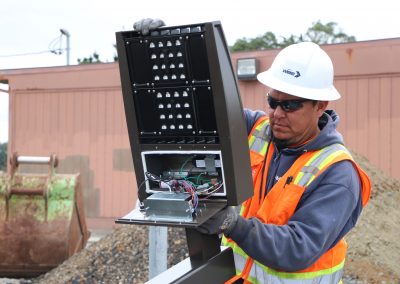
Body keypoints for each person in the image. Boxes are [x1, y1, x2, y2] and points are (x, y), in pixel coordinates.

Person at [133, 19, 371, 283]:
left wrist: (232, 224)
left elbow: (297, 248)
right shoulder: (254, 128)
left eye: (290, 105)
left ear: (320, 106)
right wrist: (167, 46)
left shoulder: (337, 173)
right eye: (272, 101)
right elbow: (203, 104)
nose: (277, 114)